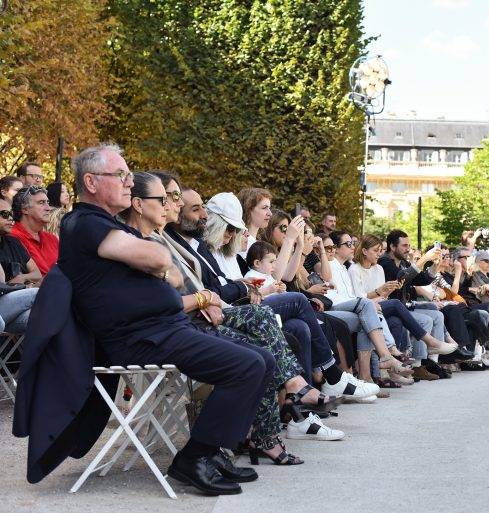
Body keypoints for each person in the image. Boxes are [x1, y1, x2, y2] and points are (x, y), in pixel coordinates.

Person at [60, 143, 274, 496]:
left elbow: (168, 270)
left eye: (129, 175)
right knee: (247, 366)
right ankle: (194, 457)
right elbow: (161, 260)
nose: (128, 182)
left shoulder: (106, 225)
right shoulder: (84, 222)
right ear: (91, 182)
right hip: (139, 337)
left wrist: (160, 268)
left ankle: (213, 452)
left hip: (163, 328)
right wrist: (160, 267)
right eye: (120, 175)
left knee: (263, 360)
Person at [128, 172, 342, 458]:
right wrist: (208, 298)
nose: (175, 205)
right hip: (182, 327)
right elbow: (178, 294)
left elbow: (202, 286)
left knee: (272, 339)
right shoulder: (144, 242)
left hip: (201, 317)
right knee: (270, 334)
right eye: (171, 198)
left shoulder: (173, 241)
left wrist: (215, 295)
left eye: (178, 199)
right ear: (140, 204)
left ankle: (271, 427)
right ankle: (296, 395)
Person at [167, 189, 379, 403]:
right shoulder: (219, 245)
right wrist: (246, 286)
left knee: (299, 327)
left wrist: (298, 247)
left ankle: (300, 401)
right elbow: (274, 277)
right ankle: (332, 375)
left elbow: (227, 283)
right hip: (227, 311)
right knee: (299, 303)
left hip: (236, 306)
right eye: (264, 208)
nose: (234, 234)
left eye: (236, 230)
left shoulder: (210, 246)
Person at [348, 234, 457, 383]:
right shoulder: (378, 264)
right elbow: (359, 298)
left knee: (396, 320)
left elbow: (420, 279)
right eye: (375, 250)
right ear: (364, 251)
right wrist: (424, 258)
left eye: (380, 250)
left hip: (382, 305)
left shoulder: (380, 267)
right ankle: (429, 343)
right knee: (396, 305)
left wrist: (434, 264)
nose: (379, 254)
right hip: (369, 307)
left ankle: (393, 371)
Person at [324, 230, 414, 383]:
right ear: (337, 248)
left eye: (352, 243)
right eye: (348, 244)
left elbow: (356, 297)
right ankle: (388, 355)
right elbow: (347, 297)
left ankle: (369, 377)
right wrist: (374, 298)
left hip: (354, 306)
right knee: (372, 308)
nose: (353, 246)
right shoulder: (333, 266)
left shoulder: (345, 267)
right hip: (336, 308)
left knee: (375, 318)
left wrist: (382, 293)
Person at [0, 198, 39, 333]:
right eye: (4, 214)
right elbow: (1, 282)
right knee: (39, 293)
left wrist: (21, 278)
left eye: (11, 214)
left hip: (12, 306)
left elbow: (36, 273)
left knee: (45, 316)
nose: (11, 218)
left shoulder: (13, 242)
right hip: (5, 301)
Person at [10, 186, 59, 276]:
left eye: (48, 202)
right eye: (41, 203)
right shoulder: (12, 237)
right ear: (25, 209)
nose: (48, 208)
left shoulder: (52, 239)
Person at [203, 192, 247, 280]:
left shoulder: (230, 253)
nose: (234, 234)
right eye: (231, 228)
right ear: (215, 225)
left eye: (237, 229)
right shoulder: (200, 251)